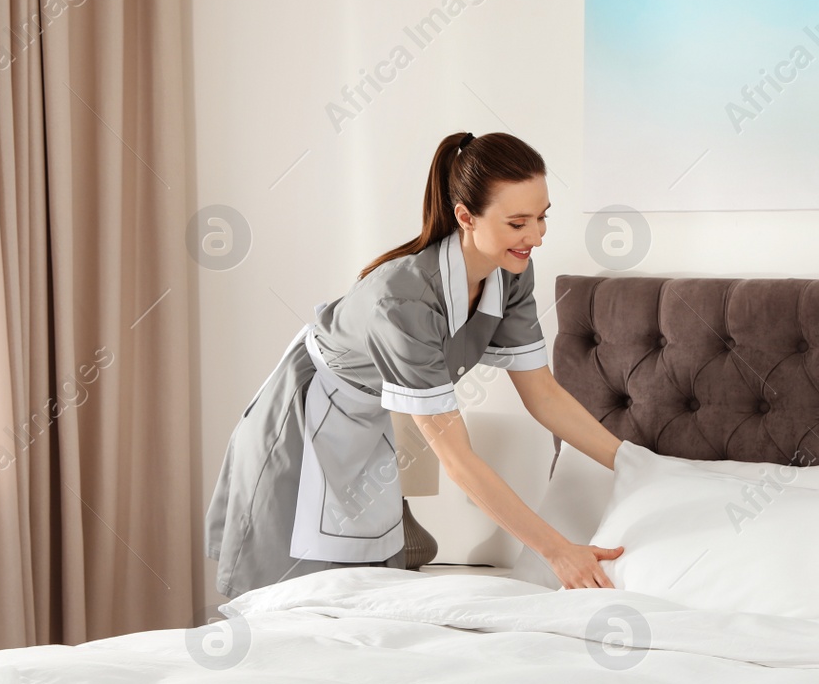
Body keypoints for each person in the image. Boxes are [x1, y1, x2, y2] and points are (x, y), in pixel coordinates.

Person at [204, 130, 624, 598]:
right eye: (518, 222)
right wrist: (557, 551)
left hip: (372, 423)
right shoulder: (402, 301)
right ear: (466, 216)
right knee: (289, 599)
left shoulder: (510, 273)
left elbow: (544, 395)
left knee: (370, 596)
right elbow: (457, 460)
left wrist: (635, 463)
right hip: (304, 424)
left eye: (542, 219)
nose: (536, 237)